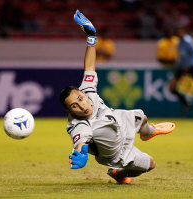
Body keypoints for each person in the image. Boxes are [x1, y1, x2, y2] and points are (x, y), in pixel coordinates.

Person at [59, 10, 175, 184]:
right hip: (116, 151)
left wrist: (91, 39)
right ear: (70, 111)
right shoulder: (79, 124)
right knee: (150, 164)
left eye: (80, 99)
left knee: (139, 116)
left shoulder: (87, 91)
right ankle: (117, 173)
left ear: (83, 93)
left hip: (119, 120)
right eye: (74, 106)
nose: (82, 106)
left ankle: (149, 133)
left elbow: (89, 67)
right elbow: (79, 141)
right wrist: (81, 153)